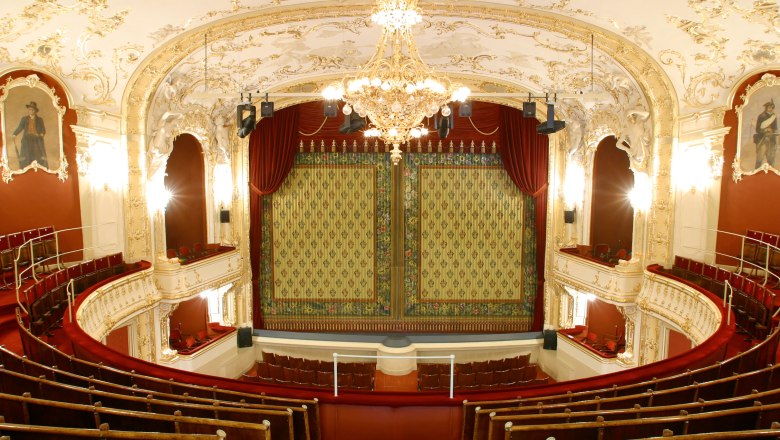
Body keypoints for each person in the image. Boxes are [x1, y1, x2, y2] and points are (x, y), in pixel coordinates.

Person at [12, 101, 48, 169]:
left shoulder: (40, 120)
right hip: (26, 140)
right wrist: (14, 134)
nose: (30, 111)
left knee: (37, 156)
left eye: (32, 109)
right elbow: (20, 127)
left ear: (35, 111)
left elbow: (43, 130)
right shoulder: (24, 119)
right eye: (29, 109)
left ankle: (38, 171)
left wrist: (41, 134)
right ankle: (25, 170)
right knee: (26, 156)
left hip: (36, 140)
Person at [754, 99, 777, 169]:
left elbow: (775, 128)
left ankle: (772, 173)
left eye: (772, 107)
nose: (771, 109)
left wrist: (772, 130)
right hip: (763, 139)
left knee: (771, 158)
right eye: (769, 107)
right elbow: (757, 129)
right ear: (766, 108)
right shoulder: (761, 116)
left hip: (772, 139)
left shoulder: (774, 117)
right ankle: (756, 171)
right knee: (760, 157)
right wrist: (765, 130)